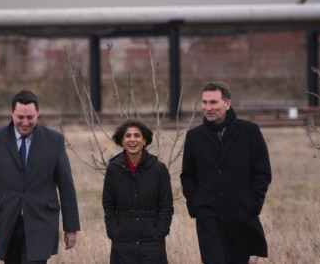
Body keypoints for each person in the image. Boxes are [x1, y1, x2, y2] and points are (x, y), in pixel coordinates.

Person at [0, 89, 80, 264]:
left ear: (38, 113)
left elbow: (66, 186)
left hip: (41, 222)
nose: (25, 122)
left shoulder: (54, 140)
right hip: (7, 223)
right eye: (20, 117)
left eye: (30, 117)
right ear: (12, 112)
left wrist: (71, 228)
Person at [180, 81, 272, 264]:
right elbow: (188, 176)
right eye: (204, 102)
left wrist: (252, 204)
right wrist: (196, 204)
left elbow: (262, 172)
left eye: (213, 102)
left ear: (227, 104)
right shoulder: (194, 137)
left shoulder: (250, 132)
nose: (208, 108)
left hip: (240, 216)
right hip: (208, 219)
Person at [102, 119, 174, 264]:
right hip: (122, 241)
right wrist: (114, 232)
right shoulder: (113, 169)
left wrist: (159, 232)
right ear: (122, 140)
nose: (132, 140)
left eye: (137, 135)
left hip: (152, 242)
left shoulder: (159, 169)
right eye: (128, 136)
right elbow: (108, 205)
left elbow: (166, 206)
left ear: (145, 140)